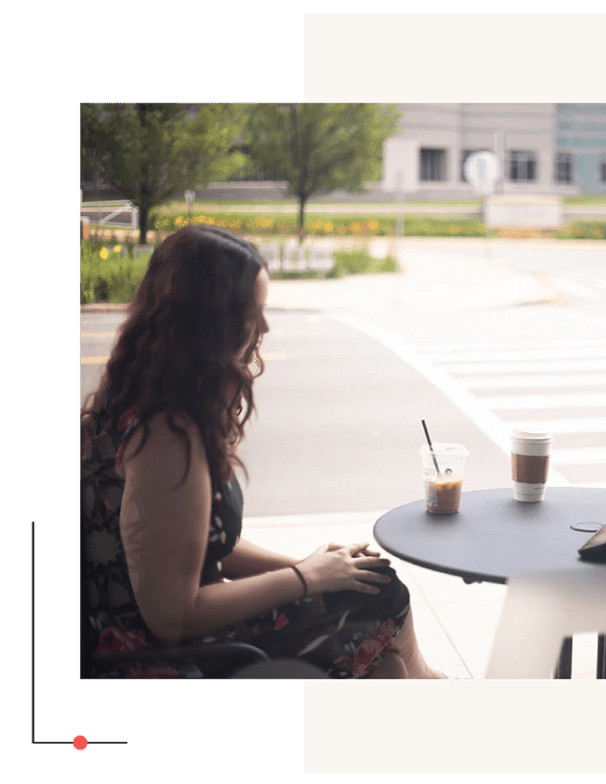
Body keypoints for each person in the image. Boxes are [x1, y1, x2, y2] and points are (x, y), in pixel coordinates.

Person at [81, 224, 442, 679]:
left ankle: (436, 692)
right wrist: (305, 579)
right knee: (381, 595)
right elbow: (172, 615)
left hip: (172, 631)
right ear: (211, 321)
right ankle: (442, 691)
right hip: (152, 652)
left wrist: (313, 565)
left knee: (383, 650)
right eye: (254, 313)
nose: (265, 327)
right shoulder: (168, 438)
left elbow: (193, 547)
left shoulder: (141, 397)